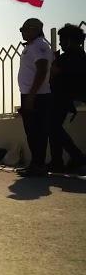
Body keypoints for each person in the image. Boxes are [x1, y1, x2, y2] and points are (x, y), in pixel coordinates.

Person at [16, 18, 54, 177]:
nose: (22, 32)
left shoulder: (39, 46)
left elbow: (42, 69)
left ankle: (38, 165)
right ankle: (36, 164)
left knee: (36, 132)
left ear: (34, 29)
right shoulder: (35, 46)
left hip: (36, 95)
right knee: (32, 132)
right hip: (32, 94)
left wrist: (32, 95)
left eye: (24, 29)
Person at [48, 23, 86, 173]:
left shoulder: (69, 58)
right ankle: (60, 161)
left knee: (52, 127)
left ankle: (75, 157)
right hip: (67, 97)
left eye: (62, 40)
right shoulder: (80, 56)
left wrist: (53, 63)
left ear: (69, 40)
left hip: (64, 97)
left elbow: (55, 75)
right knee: (53, 126)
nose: (60, 44)